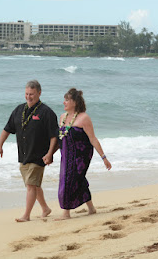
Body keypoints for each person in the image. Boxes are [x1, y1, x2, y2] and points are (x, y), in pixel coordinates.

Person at [0, 80, 58, 222]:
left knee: (30, 185)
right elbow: (7, 129)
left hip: (39, 156)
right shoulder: (19, 110)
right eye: (26, 94)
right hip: (23, 155)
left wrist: (49, 153)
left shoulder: (46, 112)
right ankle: (45, 208)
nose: (29, 97)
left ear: (39, 93)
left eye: (32, 94)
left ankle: (26, 215)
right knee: (34, 185)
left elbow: (55, 136)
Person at [56, 88, 112, 220]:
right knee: (77, 180)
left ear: (74, 102)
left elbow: (93, 138)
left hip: (81, 156)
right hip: (66, 154)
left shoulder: (84, 118)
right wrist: (49, 154)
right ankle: (91, 208)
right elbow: (60, 138)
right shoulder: (62, 118)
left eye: (67, 100)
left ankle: (66, 213)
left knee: (69, 180)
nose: (64, 102)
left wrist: (104, 158)